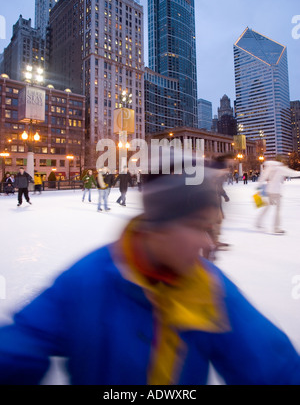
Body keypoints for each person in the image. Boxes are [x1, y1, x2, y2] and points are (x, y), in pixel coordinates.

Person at [0, 163, 300, 385]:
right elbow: (24, 340)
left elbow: (273, 366)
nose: (207, 244)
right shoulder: (88, 279)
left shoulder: (208, 287)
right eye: (196, 226)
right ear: (159, 227)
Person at [255, 160, 300, 234]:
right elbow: (292, 173)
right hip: (276, 192)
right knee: (277, 210)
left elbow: (262, 178)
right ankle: (276, 228)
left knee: (266, 208)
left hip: (269, 191)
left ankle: (258, 222)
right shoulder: (280, 168)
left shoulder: (268, 169)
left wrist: (258, 187)